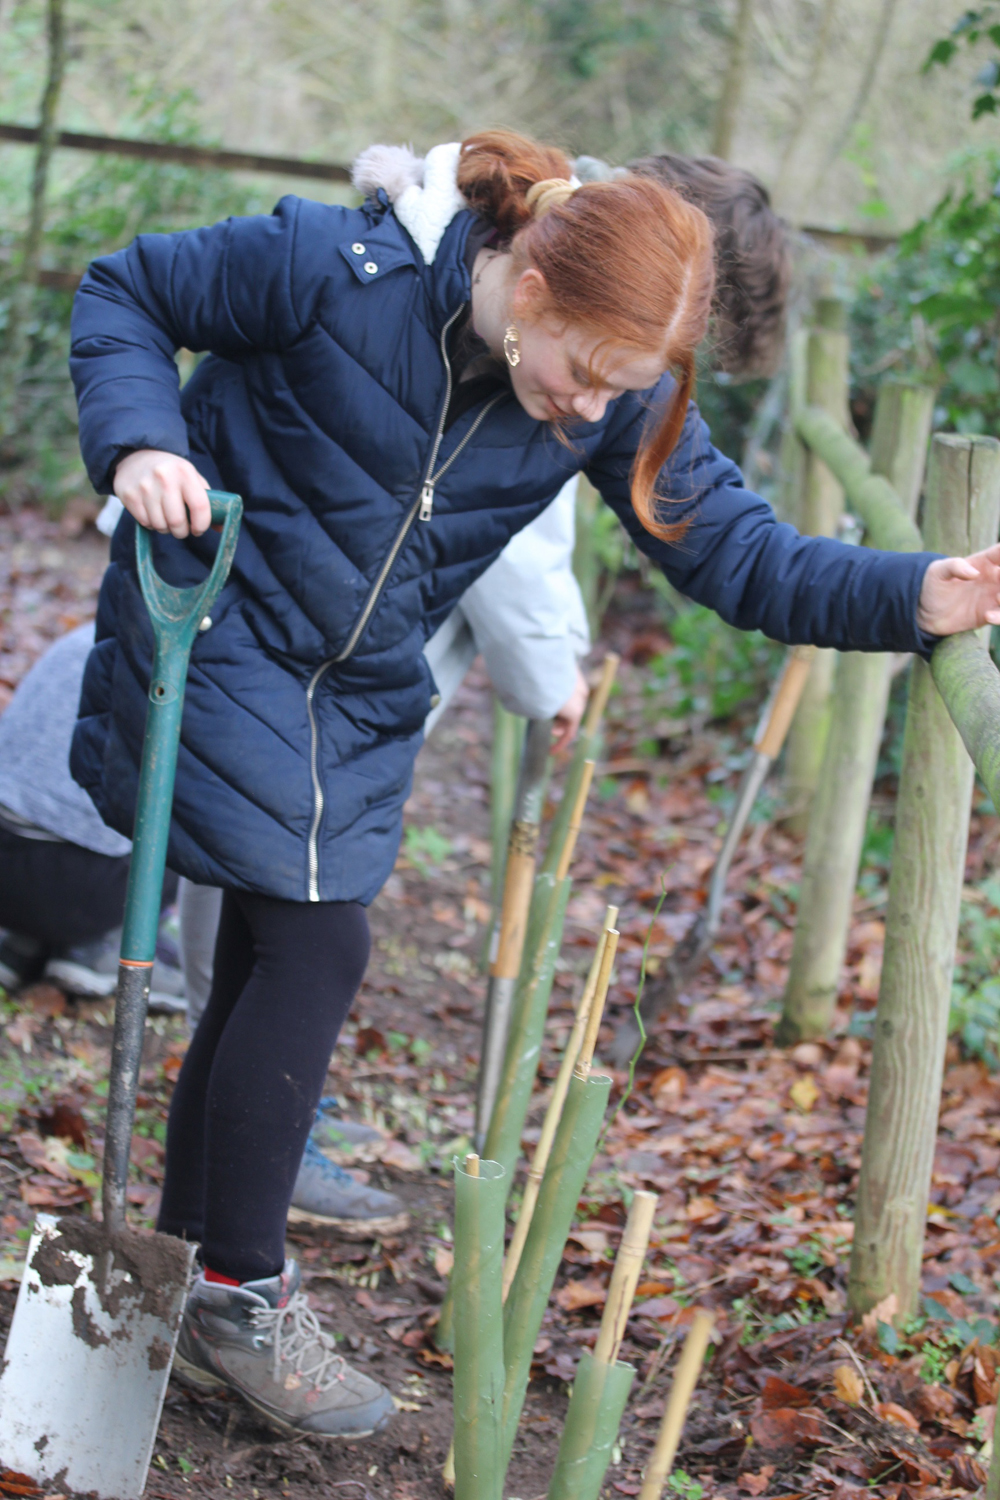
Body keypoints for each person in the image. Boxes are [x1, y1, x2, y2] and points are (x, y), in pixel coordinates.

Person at [68, 127, 1000, 1442]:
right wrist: (137, 442)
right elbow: (125, 292)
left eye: (622, 391)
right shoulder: (333, 269)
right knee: (316, 945)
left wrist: (917, 592)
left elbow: (736, 551)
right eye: (582, 375)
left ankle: (186, 1260)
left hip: (361, 687)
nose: (587, 410)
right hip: (214, 616)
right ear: (533, 289)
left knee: (274, 954)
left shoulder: (612, 396)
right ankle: (237, 1290)